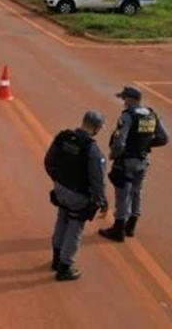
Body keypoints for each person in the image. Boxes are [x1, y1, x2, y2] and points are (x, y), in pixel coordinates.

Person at [99, 85, 169, 242]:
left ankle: (118, 230)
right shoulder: (152, 115)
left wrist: (114, 154)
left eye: (125, 98)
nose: (123, 101)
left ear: (131, 99)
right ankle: (131, 226)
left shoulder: (127, 116)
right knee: (137, 192)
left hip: (126, 161)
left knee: (122, 194)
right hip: (143, 161)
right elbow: (164, 138)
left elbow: (119, 142)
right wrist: (145, 146)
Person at [45, 111, 108, 281]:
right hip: (78, 195)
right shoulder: (92, 149)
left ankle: (56, 260)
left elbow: (48, 161)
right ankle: (65, 267)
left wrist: (58, 180)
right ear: (95, 128)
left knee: (62, 218)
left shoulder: (63, 137)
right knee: (75, 227)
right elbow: (97, 179)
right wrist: (101, 200)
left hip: (60, 190)